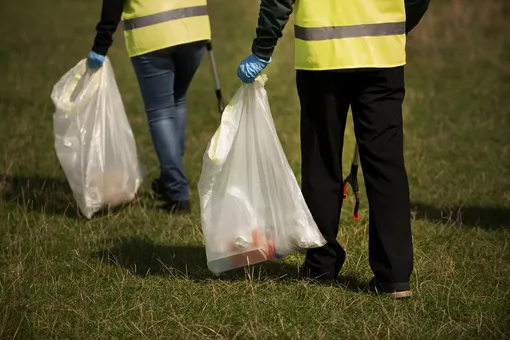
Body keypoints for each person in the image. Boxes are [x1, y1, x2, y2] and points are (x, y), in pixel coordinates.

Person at [237, 0, 430, 298]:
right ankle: (394, 276)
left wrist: (263, 47)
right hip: (383, 53)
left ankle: (321, 266)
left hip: (322, 56)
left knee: (321, 161)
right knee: (386, 165)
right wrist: (398, 26)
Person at [87, 0, 212, 213]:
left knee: (161, 112)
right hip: (194, 29)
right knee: (176, 100)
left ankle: (177, 191)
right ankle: (171, 176)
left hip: (153, 35)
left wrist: (101, 44)